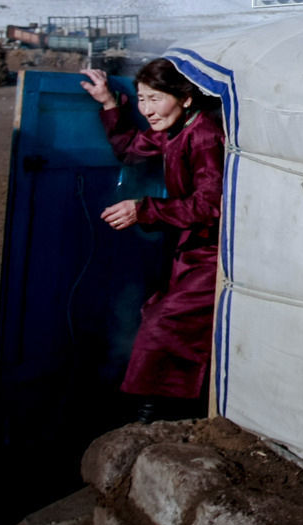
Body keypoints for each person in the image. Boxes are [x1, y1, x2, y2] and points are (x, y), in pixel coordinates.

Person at [79, 58, 224, 422]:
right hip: (190, 252)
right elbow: (130, 148)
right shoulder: (174, 130)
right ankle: (163, 414)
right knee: (158, 317)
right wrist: (108, 102)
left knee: (163, 324)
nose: (146, 110)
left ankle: (154, 418)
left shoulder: (204, 136)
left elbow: (212, 204)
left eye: (155, 99)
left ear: (185, 99)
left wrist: (144, 209)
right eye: (142, 99)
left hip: (216, 256)